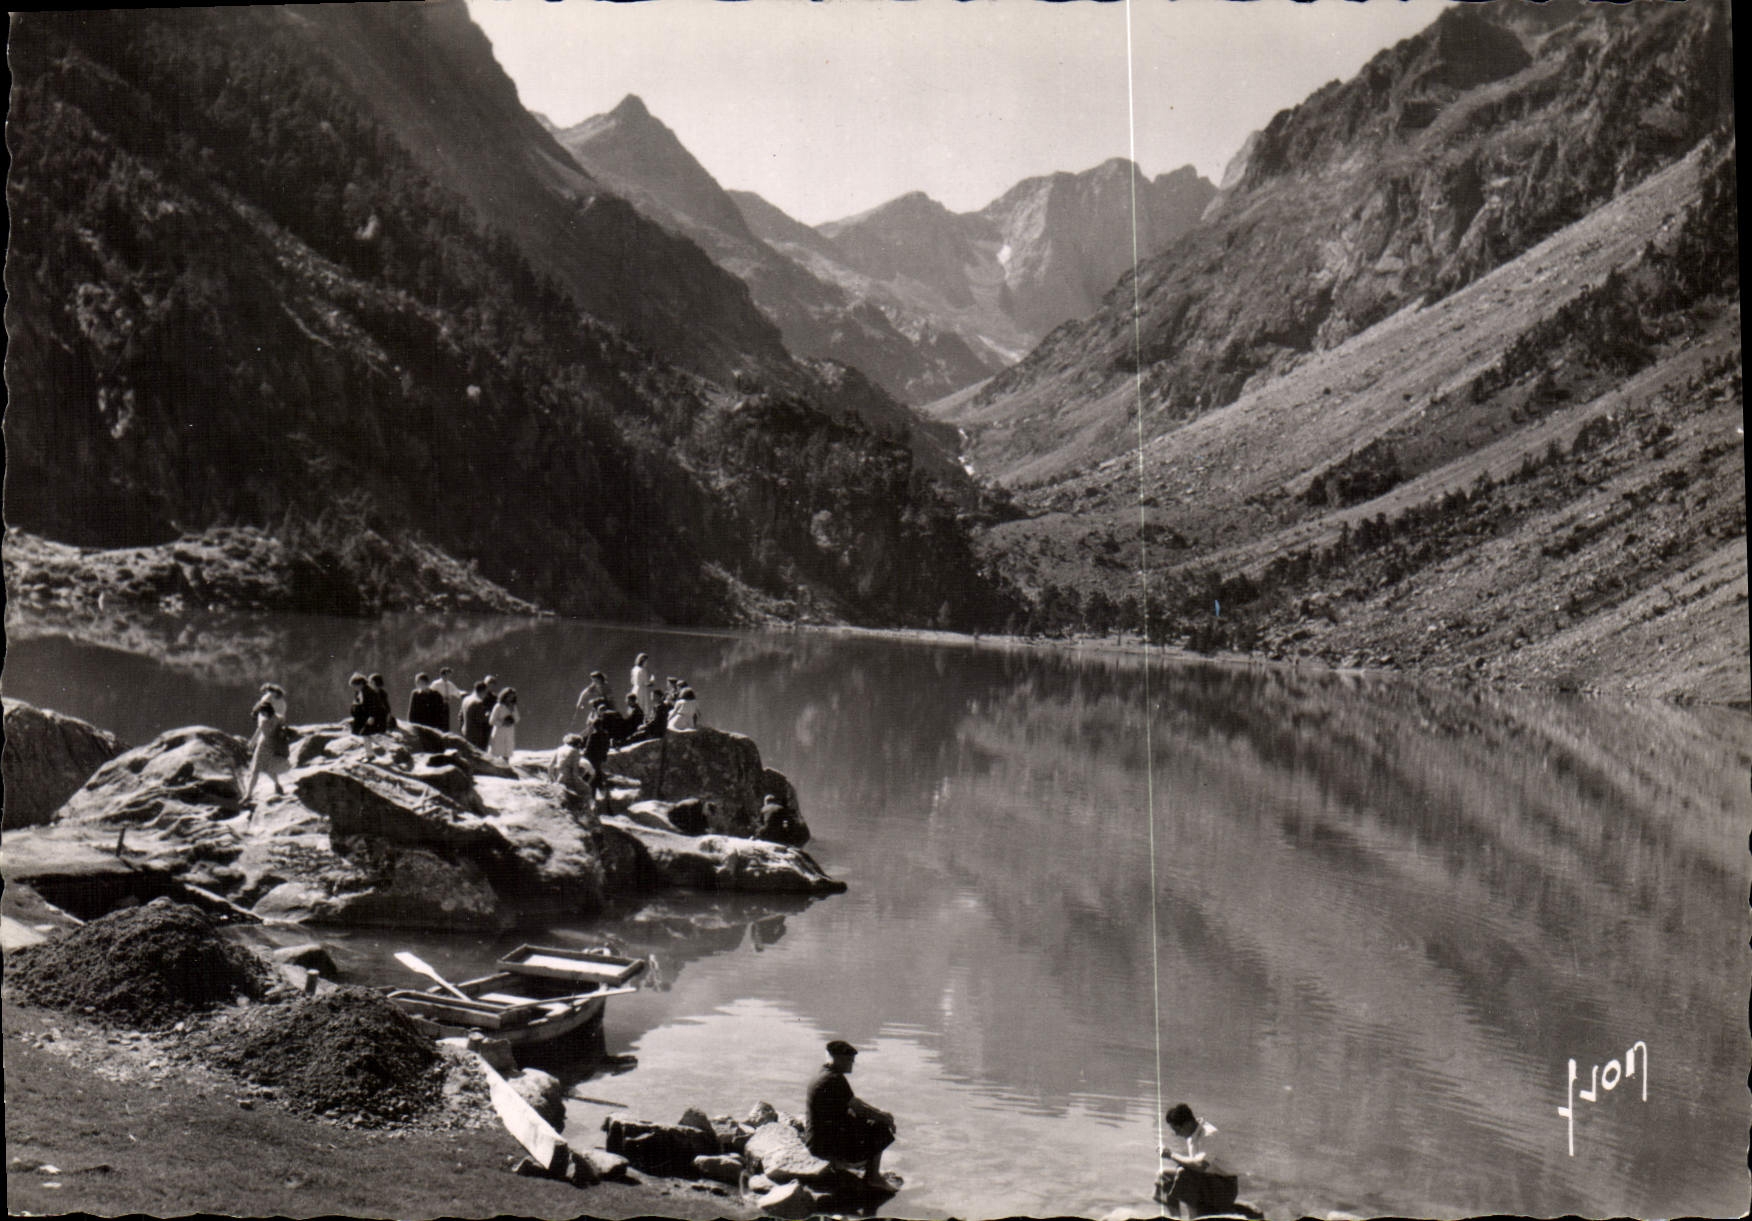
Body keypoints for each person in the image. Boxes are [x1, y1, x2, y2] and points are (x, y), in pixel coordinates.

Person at [804, 1040, 896, 1187]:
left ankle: (846, 1164)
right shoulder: (835, 1079)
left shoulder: (825, 1074)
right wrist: (886, 1119)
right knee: (879, 1127)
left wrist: (880, 1112)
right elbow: (860, 1109)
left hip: (815, 1140)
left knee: (869, 1120)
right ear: (838, 1059)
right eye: (849, 1060)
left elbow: (854, 1101)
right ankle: (872, 1176)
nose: (852, 1063)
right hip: (823, 1146)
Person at [1156, 1102, 1239, 1219]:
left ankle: (1193, 1218)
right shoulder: (1192, 1133)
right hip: (1208, 1181)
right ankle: (1175, 1217)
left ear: (1188, 1123)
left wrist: (1171, 1155)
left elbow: (1200, 1166)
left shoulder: (1208, 1135)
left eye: (1177, 1129)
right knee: (1163, 1175)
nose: (1176, 1134)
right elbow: (1193, 1166)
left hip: (1225, 1187)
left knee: (1184, 1174)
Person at [239, 687, 291, 805]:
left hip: (263, 747)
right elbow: (283, 727)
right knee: (267, 768)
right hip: (274, 746)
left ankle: (248, 795)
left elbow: (259, 731)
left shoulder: (264, 722)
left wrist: (252, 742)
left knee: (255, 770)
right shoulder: (279, 718)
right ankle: (277, 785)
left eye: (262, 713)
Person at [581, 698, 617, 811]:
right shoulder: (605, 734)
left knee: (591, 779)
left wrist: (583, 755)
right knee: (597, 778)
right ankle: (604, 802)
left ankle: (592, 801)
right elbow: (606, 747)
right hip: (599, 759)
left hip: (591, 759)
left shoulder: (594, 735)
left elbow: (588, 747)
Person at [549, 732, 589, 800]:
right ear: (577, 744)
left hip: (559, 779)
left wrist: (552, 779)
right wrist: (579, 783)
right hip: (569, 780)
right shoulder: (575, 751)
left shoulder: (559, 749)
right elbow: (574, 773)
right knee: (588, 790)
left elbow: (550, 766)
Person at [460, 681, 492, 751]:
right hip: (475, 735)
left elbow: (461, 715)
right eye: (486, 693)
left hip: (465, 731)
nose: (486, 695)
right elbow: (480, 719)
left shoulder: (466, 699)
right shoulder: (478, 702)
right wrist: (488, 715)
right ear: (482, 691)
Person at [489, 687, 519, 760]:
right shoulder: (498, 706)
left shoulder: (513, 707)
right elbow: (491, 721)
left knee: (506, 753)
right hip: (499, 733)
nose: (510, 699)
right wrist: (503, 723)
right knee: (495, 754)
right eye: (509, 696)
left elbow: (517, 719)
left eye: (512, 697)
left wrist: (512, 713)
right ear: (504, 696)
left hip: (509, 733)